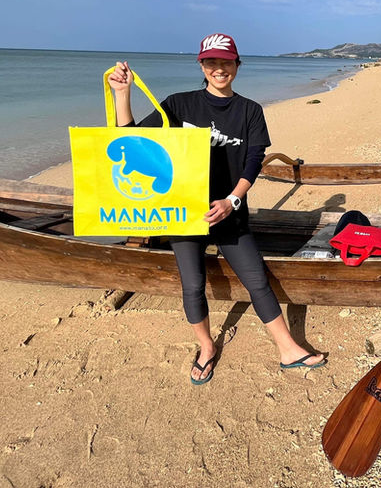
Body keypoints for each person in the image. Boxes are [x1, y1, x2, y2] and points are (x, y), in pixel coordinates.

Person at [107, 32, 325, 385]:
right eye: (211, 62)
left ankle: (288, 349)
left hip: (230, 211)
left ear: (237, 64)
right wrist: (122, 94)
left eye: (226, 61)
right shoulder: (178, 105)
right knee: (193, 284)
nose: (219, 68)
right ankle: (206, 348)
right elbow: (132, 141)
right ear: (201, 65)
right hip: (183, 212)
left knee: (257, 279)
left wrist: (231, 200)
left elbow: (253, 161)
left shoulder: (250, 111)